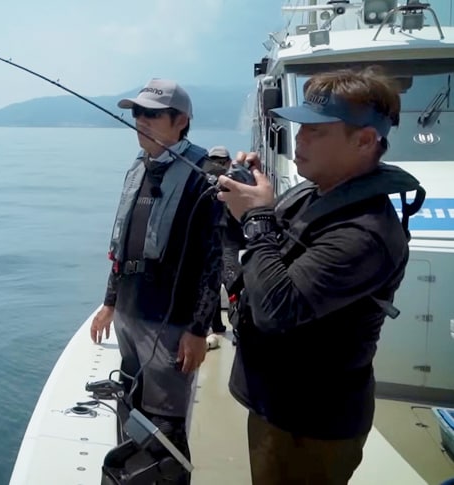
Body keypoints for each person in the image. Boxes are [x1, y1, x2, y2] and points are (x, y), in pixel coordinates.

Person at [217, 67, 425, 484]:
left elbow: (277, 308)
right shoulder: (311, 193)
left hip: (312, 425)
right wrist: (241, 194)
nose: (299, 138)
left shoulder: (367, 233)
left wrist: (256, 216)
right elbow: (255, 257)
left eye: (316, 130)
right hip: (275, 403)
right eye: (300, 127)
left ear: (365, 140)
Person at [90, 78, 224, 484]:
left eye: (152, 114)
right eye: (137, 113)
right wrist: (110, 302)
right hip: (131, 314)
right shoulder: (139, 168)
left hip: (168, 323)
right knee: (131, 404)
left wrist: (198, 329)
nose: (141, 121)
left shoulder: (203, 176)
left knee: (165, 425)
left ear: (181, 121)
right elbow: (124, 244)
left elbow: (212, 258)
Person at [207, 146, 242, 334]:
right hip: (210, 243)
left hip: (230, 241)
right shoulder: (202, 183)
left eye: (221, 161)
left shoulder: (236, 183)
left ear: (228, 162)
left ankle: (237, 326)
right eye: (214, 161)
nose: (218, 165)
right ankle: (216, 325)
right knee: (210, 283)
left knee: (232, 282)